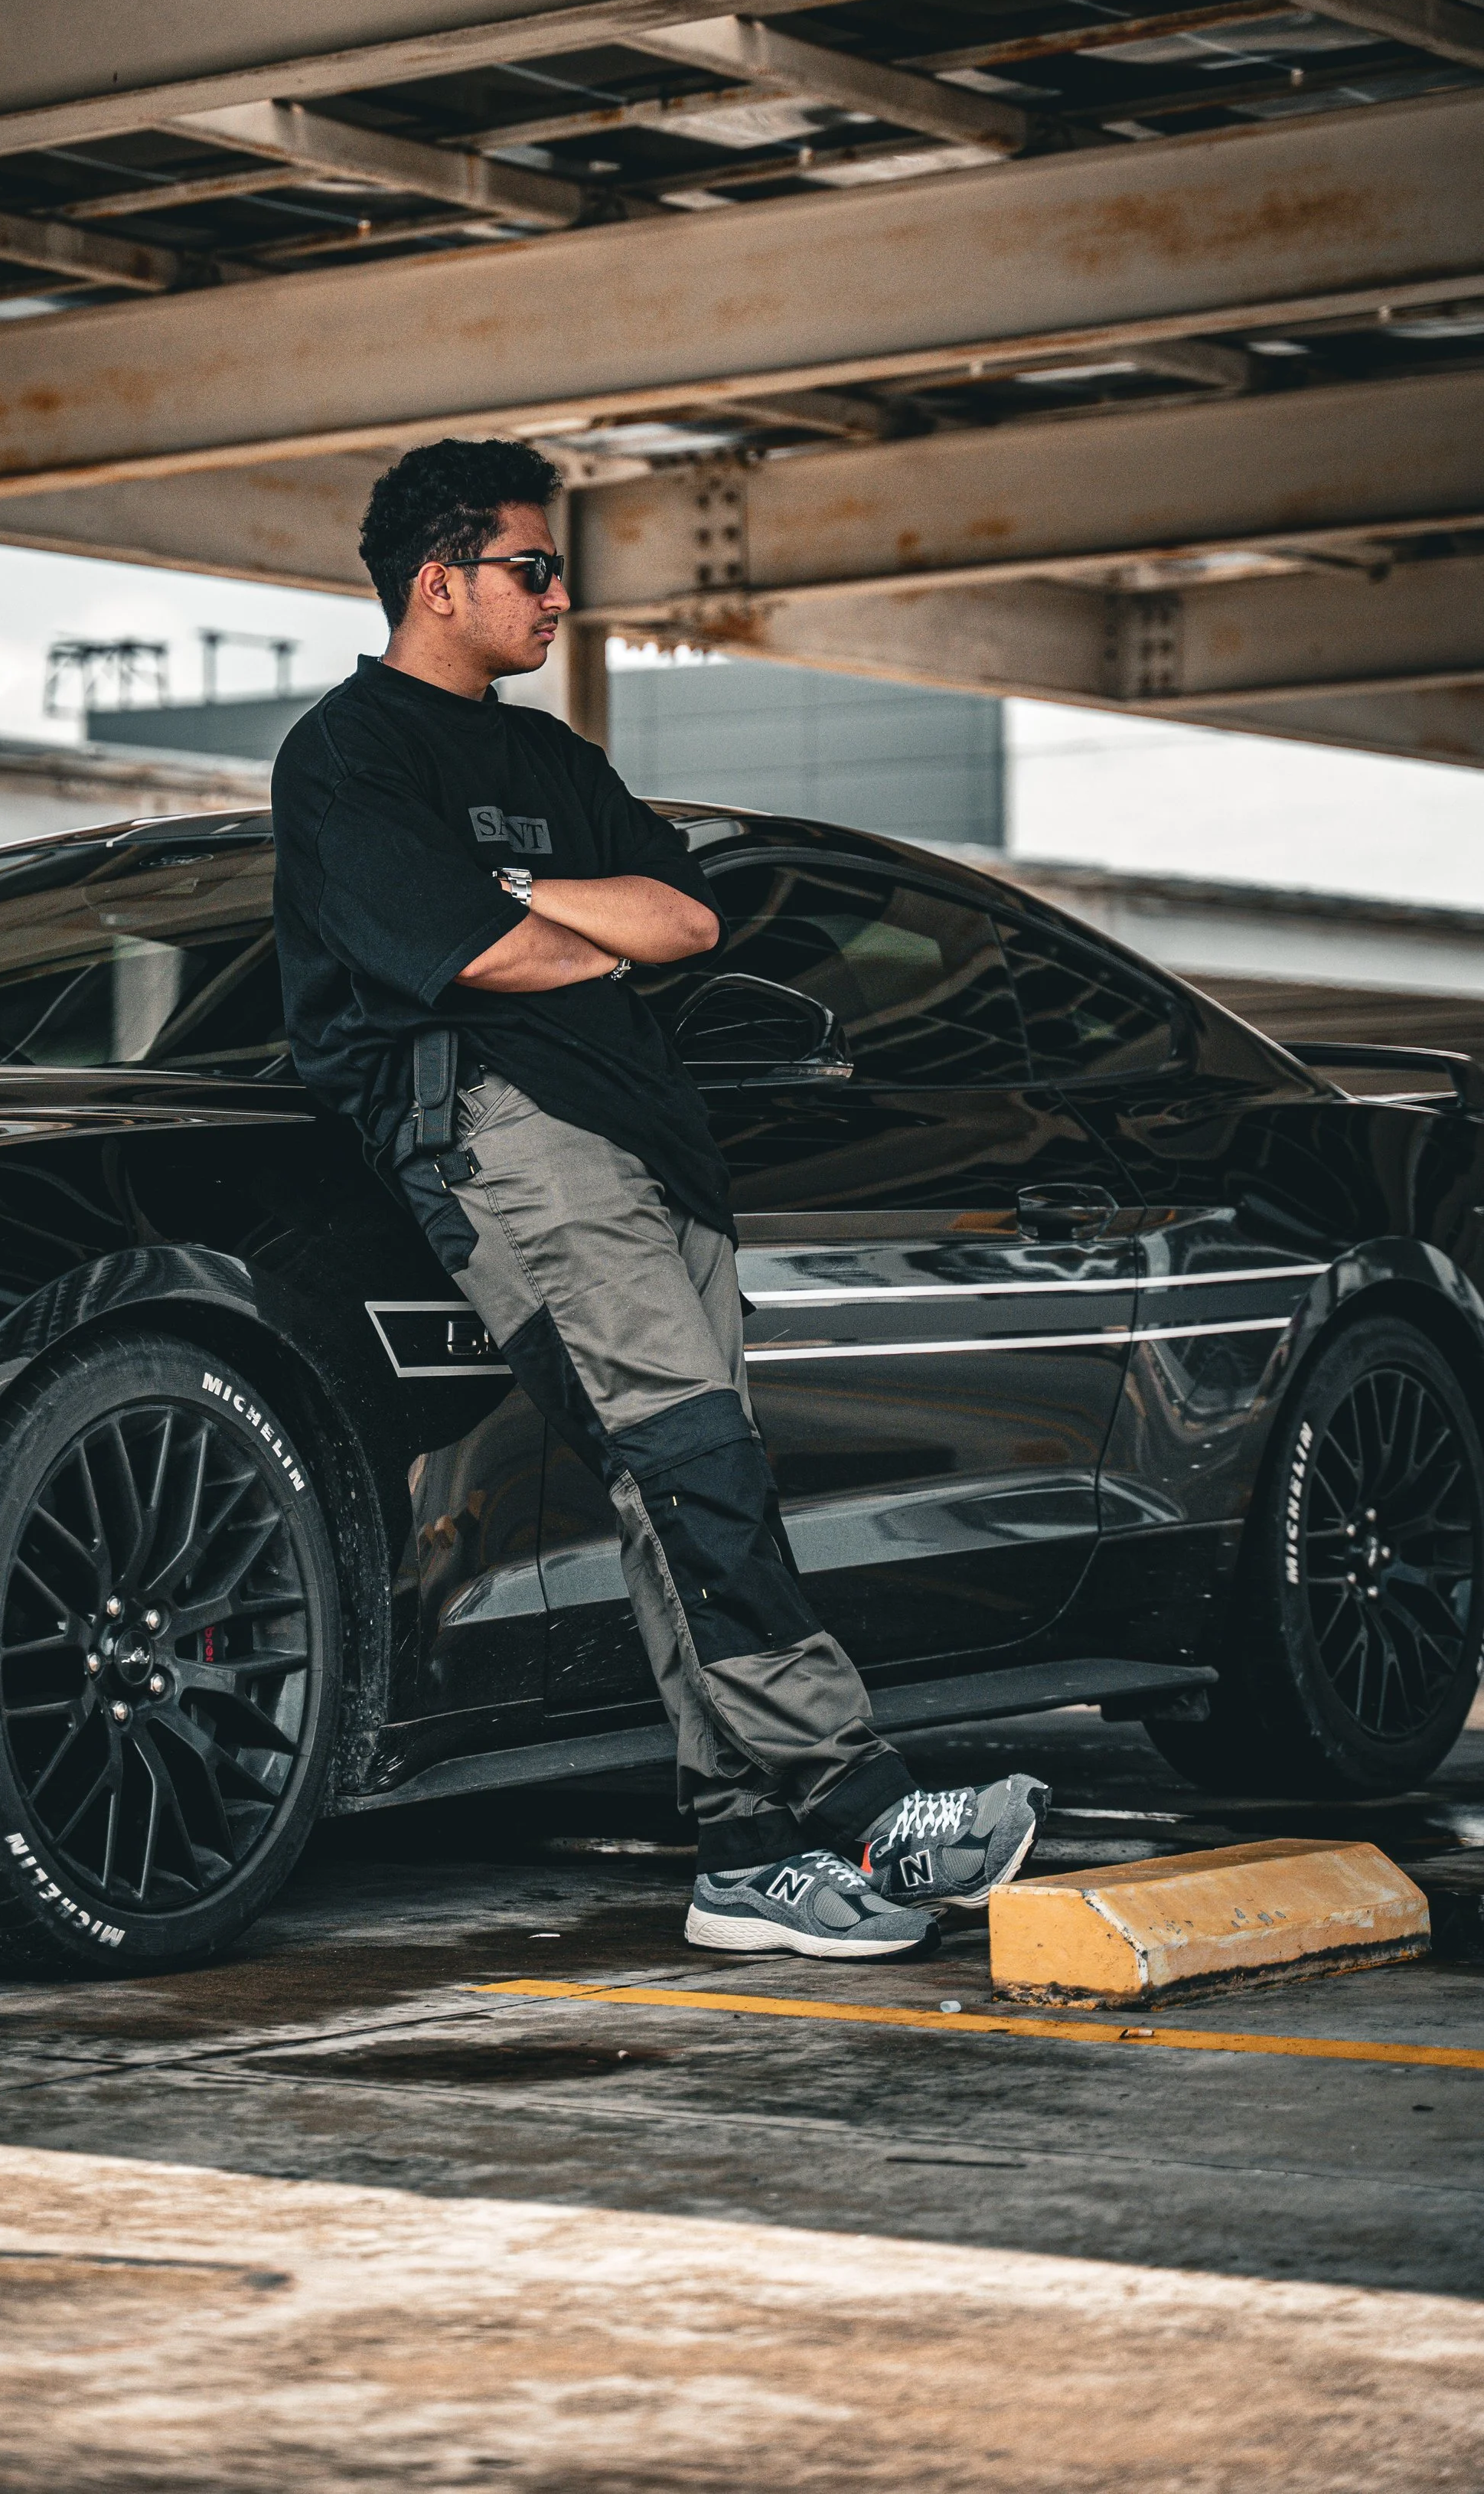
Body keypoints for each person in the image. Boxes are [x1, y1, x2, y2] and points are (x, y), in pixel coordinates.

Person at [272, 438, 1048, 1962]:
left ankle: (744, 1853)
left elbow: (681, 918)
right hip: (507, 1138)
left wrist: (522, 902)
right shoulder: (350, 758)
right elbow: (491, 963)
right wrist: (556, 920)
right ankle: (853, 1795)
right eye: (532, 567)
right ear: (439, 580)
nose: (562, 597)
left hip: (653, 1149)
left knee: (670, 1485)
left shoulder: (554, 764)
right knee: (693, 1463)